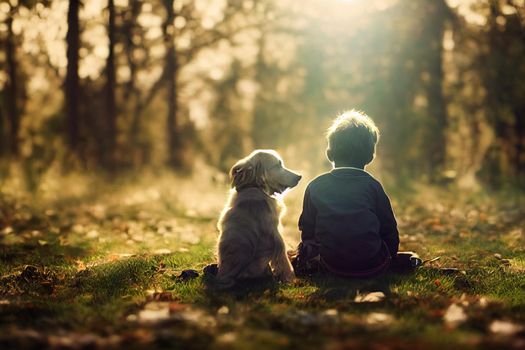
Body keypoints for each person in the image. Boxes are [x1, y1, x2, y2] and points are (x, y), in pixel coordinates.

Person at [291, 110, 421, 277]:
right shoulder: (373, 186)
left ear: (329, 153)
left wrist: (310, 254)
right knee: (408, 258)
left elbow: (307, 229)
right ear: (370, 157)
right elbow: (389, 228)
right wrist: (389, 256)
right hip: (373, 264)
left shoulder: (315, 186)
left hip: (329, 265)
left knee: (299, 254)